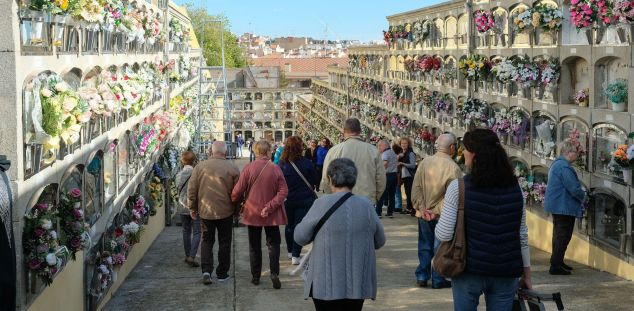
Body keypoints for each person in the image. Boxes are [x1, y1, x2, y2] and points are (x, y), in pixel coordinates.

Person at [435, 128, 532, 310]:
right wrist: (527, 274)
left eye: (465, 149)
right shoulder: (516, 188)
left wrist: (437, 218)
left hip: (469, 270)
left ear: (476, 155)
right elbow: (522, 235)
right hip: (506, 270)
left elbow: (444, 234)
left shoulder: (459, 188)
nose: (462, 153)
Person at [295, 158, 386, 311]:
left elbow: (300, 237)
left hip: (325, 284)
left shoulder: (321, 204)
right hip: (357, 284)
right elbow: (380, 241)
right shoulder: (366, 205)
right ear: (354, 180)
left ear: (330, 179)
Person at [231, 140, 288, 289]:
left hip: (253, 211)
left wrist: (234, 201)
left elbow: (237, 191)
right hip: (272, 214)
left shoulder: (249, 168)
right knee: (273, 244)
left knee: (254, 245)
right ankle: (274, 273)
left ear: (255, 152)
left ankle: (255, 276)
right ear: (268, 152)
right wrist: (270, 206)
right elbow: (283, 191)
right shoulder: (275, 169)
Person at [411, 133, 461, 289]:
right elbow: (452, 195)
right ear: (452, 147)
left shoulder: (425, 162)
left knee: (424, 244)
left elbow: (416, 187)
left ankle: (422, 275)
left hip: (423, 213)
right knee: (440, 247)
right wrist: (437, 211)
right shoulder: (453, 167)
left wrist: (421, 207)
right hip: (442, 216)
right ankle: (438, 279)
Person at [188, 142, 240, 284]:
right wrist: (237, 211)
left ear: (211, 151)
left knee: (207, 240)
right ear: (225, 151)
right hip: (226, 211)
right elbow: (238, 193)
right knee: (225, 242)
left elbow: (192, 189)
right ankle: (222, 273)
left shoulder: (200, 167)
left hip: (206, 210)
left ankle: (206, 270)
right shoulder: (232, 168)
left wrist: (192, 207)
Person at [544, 139, 586, 275]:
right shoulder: (564, 167)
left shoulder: (558, 164)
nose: (577, 155)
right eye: (576, 152)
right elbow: (574, 189)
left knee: (558, 235)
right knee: (563, 236)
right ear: (568, 152)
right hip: (563, 206)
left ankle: (557, 261)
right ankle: (555, 266)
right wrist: (585, 196)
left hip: (558, 205)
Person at [320, 118, 386, 204]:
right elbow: (381, 178)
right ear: (360, 131)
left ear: (344, 130)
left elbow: (326, 178)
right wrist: (375, 198)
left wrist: (331, 197)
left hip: (339, 201)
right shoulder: (373, 151)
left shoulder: (334, 151)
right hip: (366, 200)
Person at [279, 136, 318, 265]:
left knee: (289, 226)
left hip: (288, 199)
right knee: (299, 226)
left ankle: (290, 251)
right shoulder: (307, 163)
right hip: (305, 199)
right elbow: (314, 180)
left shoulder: (282, 164)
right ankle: (296, 254)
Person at [175, 151, 200, 267]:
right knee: (197, 232)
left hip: (182, 206)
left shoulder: (179, 175)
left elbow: (177, 189)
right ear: (194, 160)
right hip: (194, 207)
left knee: (186, 231)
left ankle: (187, 255)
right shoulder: (197, 174)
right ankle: (192, 256)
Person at [376, 140, 398, 218]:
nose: (378, 148)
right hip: (394, 175)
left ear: (385, 145)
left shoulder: (385, 153)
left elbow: (385, 163)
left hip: (386, 175)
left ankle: (378, 212)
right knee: (392, 195)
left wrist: (378, 170)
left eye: (380, 146)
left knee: (381, 194)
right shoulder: (393, 152)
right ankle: (390, 213)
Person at [397, 137, 417, 215]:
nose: (403, 145)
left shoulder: (410, 153)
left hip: (409, 176)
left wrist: (402, 164)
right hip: (404, 176)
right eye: (402, 143)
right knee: (407, 192)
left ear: (408, 144)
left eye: (405, 143)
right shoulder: (403, 153)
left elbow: (413, 165)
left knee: (410, 193)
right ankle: (409, 208)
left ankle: (412, 209)